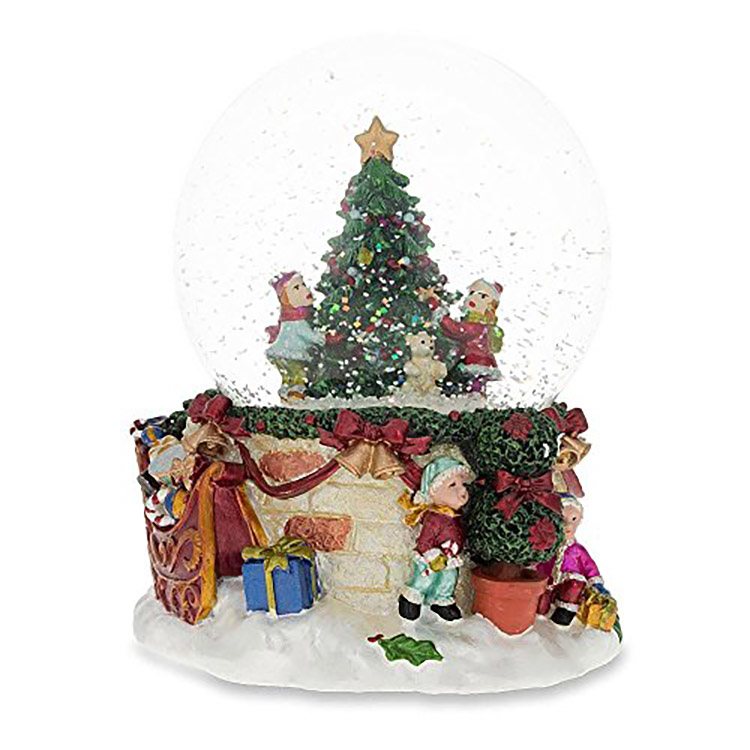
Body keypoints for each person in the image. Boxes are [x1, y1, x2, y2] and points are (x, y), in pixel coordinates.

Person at [398, 457, 473, 622]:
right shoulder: (435, 518)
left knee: (449, 579)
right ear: (434, 491)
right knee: (425, 579)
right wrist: (432, 555)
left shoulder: (454, 516)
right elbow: (425, 540)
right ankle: (410, 600)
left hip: (449, 557)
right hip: (431, 559)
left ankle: (442, 601)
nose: (462, 489)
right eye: (452, 485)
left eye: (462, 484)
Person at [418, 279, 504, 392]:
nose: (474, 298)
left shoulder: (477, 326)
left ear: (490, 306)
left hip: (474, 361)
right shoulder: (475, 323)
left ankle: (472, 398)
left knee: (467, 387)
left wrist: (435, 306)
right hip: (470, 361)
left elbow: (455, 330)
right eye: (472, 293)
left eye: (483, 296)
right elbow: (451, 333)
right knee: (466, 386)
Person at [536, 496, 607, 626]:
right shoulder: (547, 547)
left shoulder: (577, 550)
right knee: (541, 609)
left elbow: (589, 567)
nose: (568, 525)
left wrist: (596, 584)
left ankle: (564, 615)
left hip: (567, 588)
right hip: (546, 585)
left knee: (575, 585)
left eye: (573, 519)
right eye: (562, 519)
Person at [265, 271, 325, 401]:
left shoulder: (287, 318)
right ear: (286, 299)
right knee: (299, 375)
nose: (304, 289)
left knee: (288, 376)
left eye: (303, 285)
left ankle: (285, 392)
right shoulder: (297, 320)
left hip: (280, 354)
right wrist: (321, 337)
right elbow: (308, 335)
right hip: (292, 354)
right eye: (297, 288)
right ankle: (296, 395)